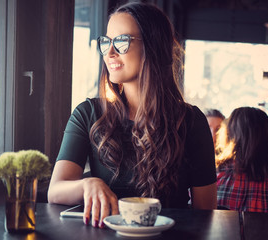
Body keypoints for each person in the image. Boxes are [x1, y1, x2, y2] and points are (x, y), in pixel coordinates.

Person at [48, 2, 217, 228]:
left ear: (152, 46)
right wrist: (89, 184)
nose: (110, 52)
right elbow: (56, 191)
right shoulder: (88, 113)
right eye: (106, 41)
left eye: (121, 41)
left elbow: (205, 213)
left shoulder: (191, 122)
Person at [215, 107, 268, 214]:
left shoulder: (219, 169)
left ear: (230, 133)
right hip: (266, 231)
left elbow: (199, 211)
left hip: (223, 231)